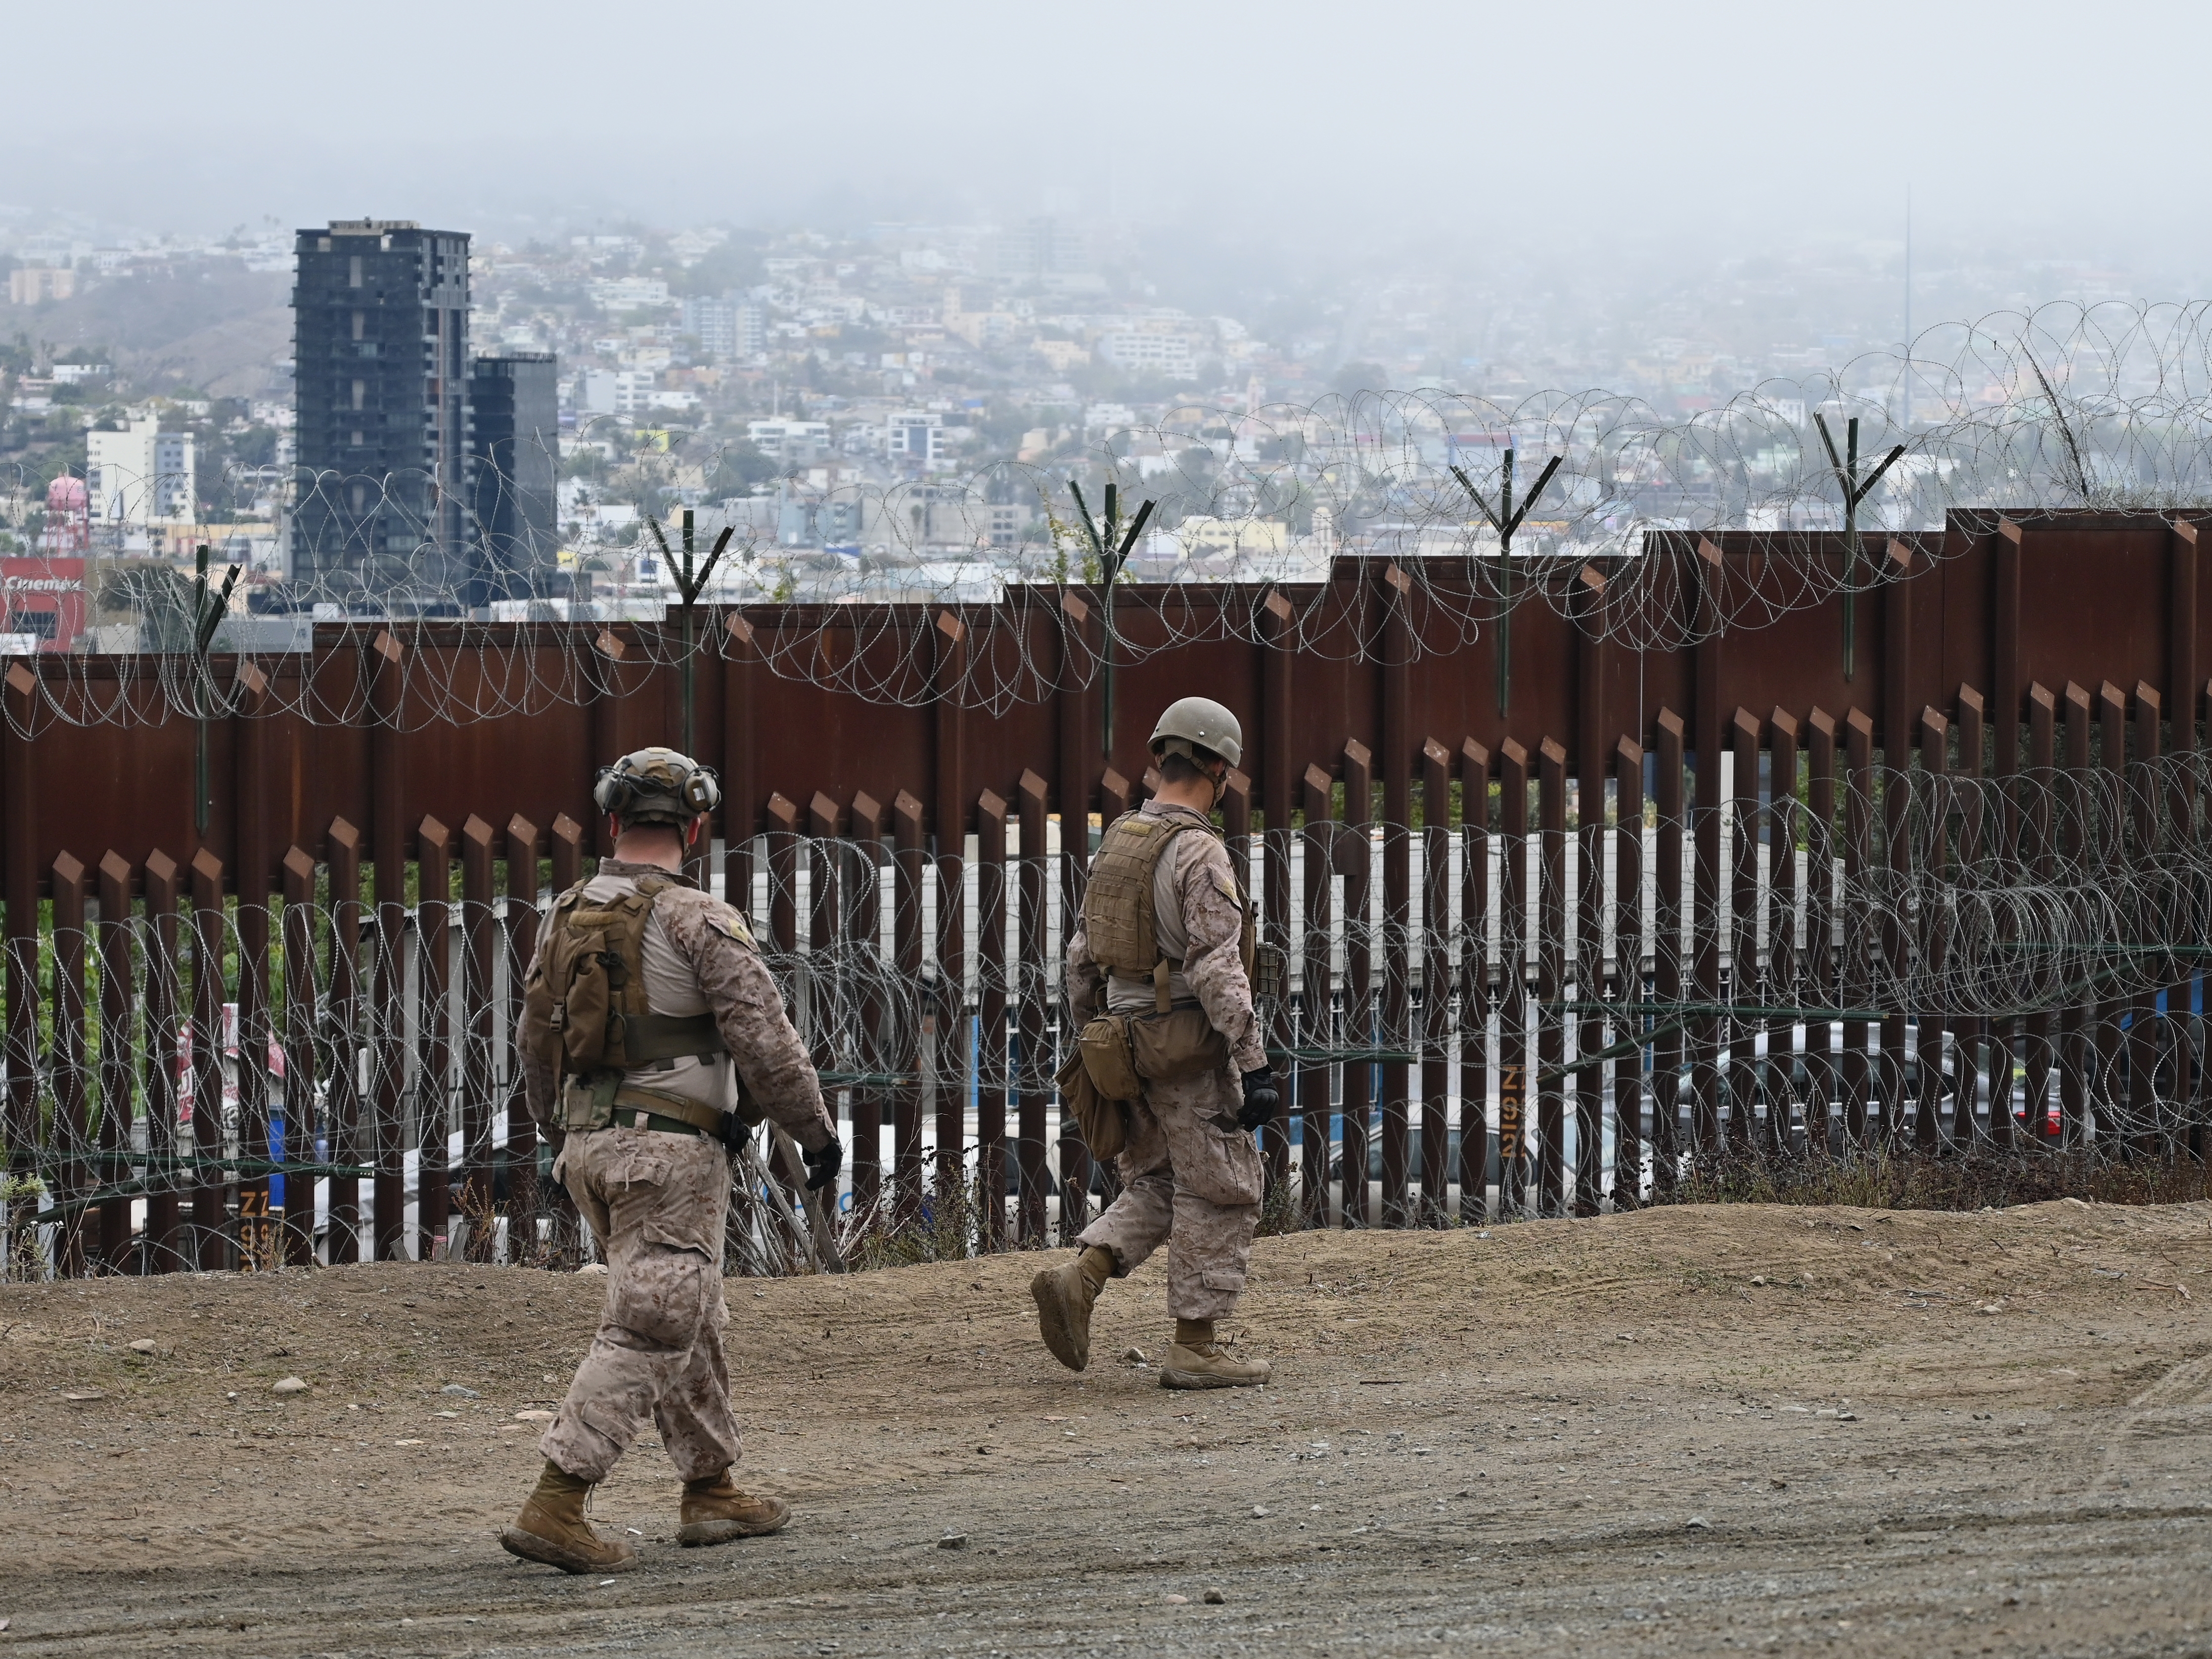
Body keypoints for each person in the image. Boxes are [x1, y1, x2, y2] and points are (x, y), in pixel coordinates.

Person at [500, 746, 842, 1575]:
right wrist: (814, 1131)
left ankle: (711, 1487)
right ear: (693, 827)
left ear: (613, 823)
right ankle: (558, 1499)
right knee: (652, 1319)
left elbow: (534, 1042)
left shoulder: (565, 912)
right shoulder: (699, 918)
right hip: (669, 1152)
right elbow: (765, 1038)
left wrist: (559, 1135)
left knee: (688, 1310)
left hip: (590, 1147)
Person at [1032, 697, 1280, 1389]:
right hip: (1184, 1051)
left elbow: (1082, 956)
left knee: (1161, 1182)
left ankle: (1079, 1276)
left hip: (1121, 1043)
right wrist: (1253, 1061)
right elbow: (1216, 966)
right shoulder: (1198, 851)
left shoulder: (1121, 838)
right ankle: (1195, 1346)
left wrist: (1092, 1039)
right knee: (1224, 1189)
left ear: (1159, 756)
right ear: (1218, 768)